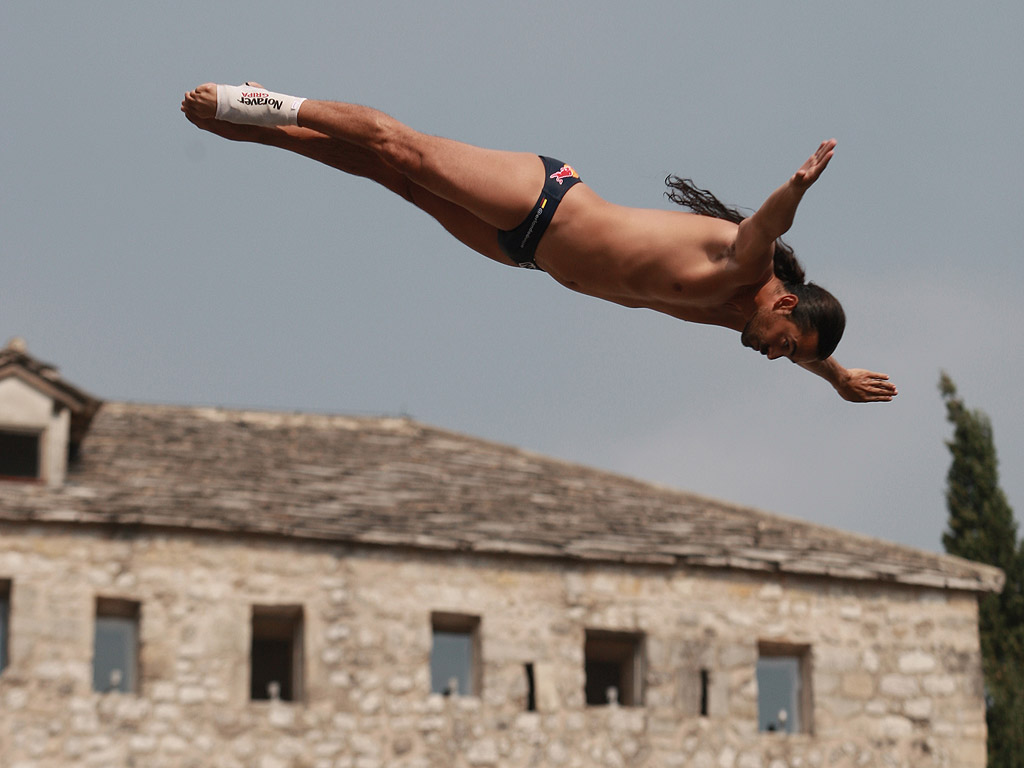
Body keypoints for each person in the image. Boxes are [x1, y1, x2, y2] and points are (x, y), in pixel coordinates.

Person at [181, 82, 897, 403]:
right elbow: (770, 223)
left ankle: (253, 132)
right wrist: (798, 184)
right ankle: (265, 101)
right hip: (544, 200)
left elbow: (803, 352)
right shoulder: (750, 266)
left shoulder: (733, 318)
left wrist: (835, 378)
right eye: (788, 343)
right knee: (403, 151)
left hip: (523, 252)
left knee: (390, 181)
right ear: (789, 303)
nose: (777, 354)